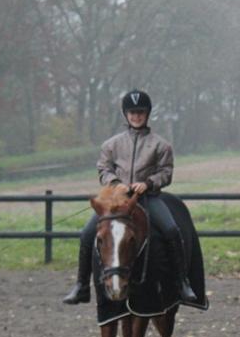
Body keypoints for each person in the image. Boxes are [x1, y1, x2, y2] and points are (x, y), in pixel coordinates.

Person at [63, 89, 199, 305]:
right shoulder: (111, 145)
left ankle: (182, 283)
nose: (136, 116)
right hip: (117, 200)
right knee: (88, 232)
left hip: (149, 198)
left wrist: (148, 183)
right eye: (132, 112)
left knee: (172, 230)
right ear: (126, 114)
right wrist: (117, 184)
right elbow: (104, 169)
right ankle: (81, 285)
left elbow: (166, 173)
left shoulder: (161, 145)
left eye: (141, 112)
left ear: (147, 114)